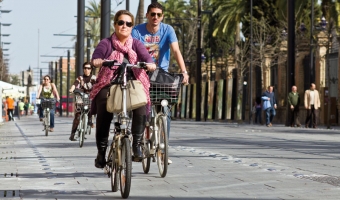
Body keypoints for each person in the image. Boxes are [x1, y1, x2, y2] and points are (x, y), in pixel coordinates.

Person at [90, 10, 156, 168]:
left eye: (128, 23)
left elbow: (146, 57)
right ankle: (101, 151)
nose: (124, 26)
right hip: (109, 83)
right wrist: (99, 61)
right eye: (121, 22)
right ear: (115, 25)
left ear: (132, 27)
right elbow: (96, 57)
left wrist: (149, 63)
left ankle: (137, 146)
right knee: (104, 105)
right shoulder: (107, 43)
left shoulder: (136, 44)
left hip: (132, 82)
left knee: (141, 102)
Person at [132, 2, 189, 164]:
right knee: (141, 109)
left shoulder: (168, 30)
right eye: (152, 14)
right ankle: (140, 141)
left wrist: (184, 72)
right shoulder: (137, 31)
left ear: (162, 16)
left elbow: (176, 51)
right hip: (142, 73)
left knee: (165, 110)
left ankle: (163, 149)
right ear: (147, 16)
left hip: (161, 75)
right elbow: (134, 52)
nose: (155, 17)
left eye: (158, 14)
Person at [68, 62, 97, 141]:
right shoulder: (80, 78)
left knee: (92, 106)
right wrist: (71, 89)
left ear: (91, 69)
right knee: (77, 115)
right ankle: (72, 134)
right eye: (85, 68)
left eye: (88, 68)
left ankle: (90, 120)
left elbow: (97, 85)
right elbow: (75, 84)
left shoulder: (94, 78)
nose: (86, 70)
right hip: (81, 96)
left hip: (91, 96)